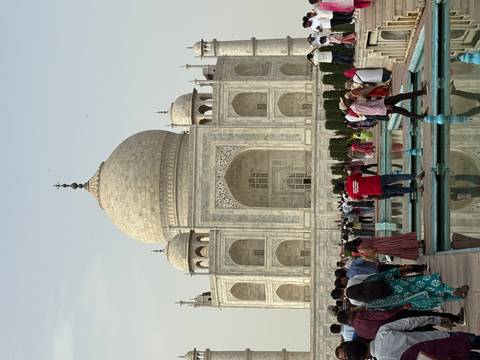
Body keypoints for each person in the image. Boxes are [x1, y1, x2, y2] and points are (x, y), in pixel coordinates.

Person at [342, 317, 480, 360]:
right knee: (475, 341)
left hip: (446, 358)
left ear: (363, 358)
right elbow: (411, 322)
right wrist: (436, 319)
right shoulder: (383, 332)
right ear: (360, 340)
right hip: (445, 339)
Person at [345, 267, 469, 309]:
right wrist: (398, 270)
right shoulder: (368, 281)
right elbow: (384, 275)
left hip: (403, 297)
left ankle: (457, 298)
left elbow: (389, 304)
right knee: (427, 283)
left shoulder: (370, 302)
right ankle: (452, 289)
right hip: (400, 284)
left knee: (431, 296)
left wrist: (402, 304)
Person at [337, 306, 464, 341]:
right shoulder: (360, 316)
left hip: (400, 333)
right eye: (347, 312)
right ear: (348, 316)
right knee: (425, 317)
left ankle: (455, 334)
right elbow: (383, 315)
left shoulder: (360, 333)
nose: (349, 310)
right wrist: (400, 308)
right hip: (399, 320)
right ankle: (454, 318)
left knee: (428, 330)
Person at [341, 87, 428, 120]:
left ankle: (421, 116)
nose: (348, 98)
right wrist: (386, 108)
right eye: (346, 100)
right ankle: (422, 92)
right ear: (347, 104)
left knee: (403, 109)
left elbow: (370, 103)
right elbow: (371, 109)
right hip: (383, 107)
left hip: (382, 104)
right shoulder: (356, 106)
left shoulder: (355, 103)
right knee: (402, 103)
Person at [336, 172, 421, 200]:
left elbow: (362, 198)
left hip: (376, 191)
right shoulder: (350, 179)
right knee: (396, 178)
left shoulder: (352, 195)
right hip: (376, 180)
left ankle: (416, 189)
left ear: (341, 190)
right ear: (341, 182)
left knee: (397, 190)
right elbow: (359, 174)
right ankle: (415, 177)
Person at [344, 232, 421, 261]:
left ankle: (418, 246)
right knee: (398, 240)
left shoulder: (360, 249)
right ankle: (417, 242)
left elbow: (372, 251)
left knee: (398, 248)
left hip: (381, 247)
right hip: (380, 240)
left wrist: (366, 255)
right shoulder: (359, 239)